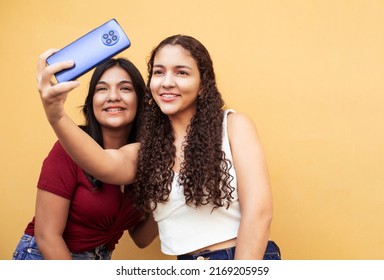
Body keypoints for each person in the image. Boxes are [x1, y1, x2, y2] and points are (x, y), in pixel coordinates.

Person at [36, 35, 281, 260]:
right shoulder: (148, 151)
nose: (167, 82)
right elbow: (104, 164)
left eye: (181, 73)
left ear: (203, 84)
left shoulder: (233, 126)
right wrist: (57, 115)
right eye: (159, 72)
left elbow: (258, 214)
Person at [13, 57, 158, 260]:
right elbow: (47, 236)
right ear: (91, 102)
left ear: (140, 100)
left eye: (125, 88)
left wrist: (171, 197)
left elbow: (141, 238)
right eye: (102, 89)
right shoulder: (68, 149)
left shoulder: (145, 157)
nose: (113, 96)